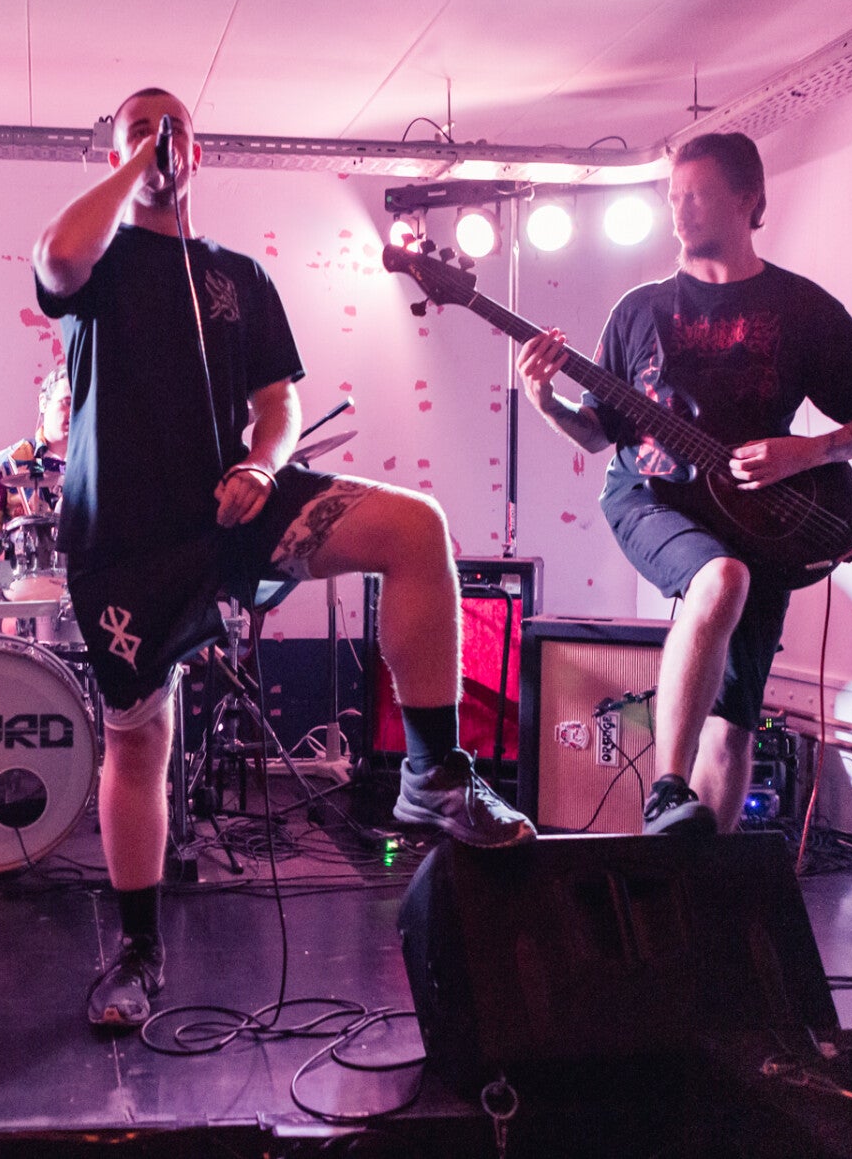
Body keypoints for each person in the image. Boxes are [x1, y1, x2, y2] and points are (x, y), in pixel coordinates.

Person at [33, 87, 534, 1030]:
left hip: (233, 507)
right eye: (137, 132)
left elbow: (279, 401)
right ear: (114, 155)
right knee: (139, 737)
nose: (158, 141)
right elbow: (56, 253)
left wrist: (263, 464)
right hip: (124, 542)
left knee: (415, 528)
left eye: (173, 130)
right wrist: (140, 164)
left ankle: (433, 771)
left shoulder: (239, 276)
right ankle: (138, 950)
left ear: (201, 152)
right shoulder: (97, 262)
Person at [516, 132, 852, 837]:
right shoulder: (639, 311)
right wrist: (545, 400)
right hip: (648, 497)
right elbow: (597, 432)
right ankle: (667, 787)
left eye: (695, 195)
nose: (678, 211)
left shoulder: (800, 309)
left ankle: (696, 879)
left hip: (761, 518)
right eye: (672, 197)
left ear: (747, 199)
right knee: (719, 579)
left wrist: (810, 451)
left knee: (732, 729)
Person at [0, 365, 69, 529]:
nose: (74, 411)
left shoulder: (96, 466)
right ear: (43, 402)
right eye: (67, 402)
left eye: (81, 405)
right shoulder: (2, 465)